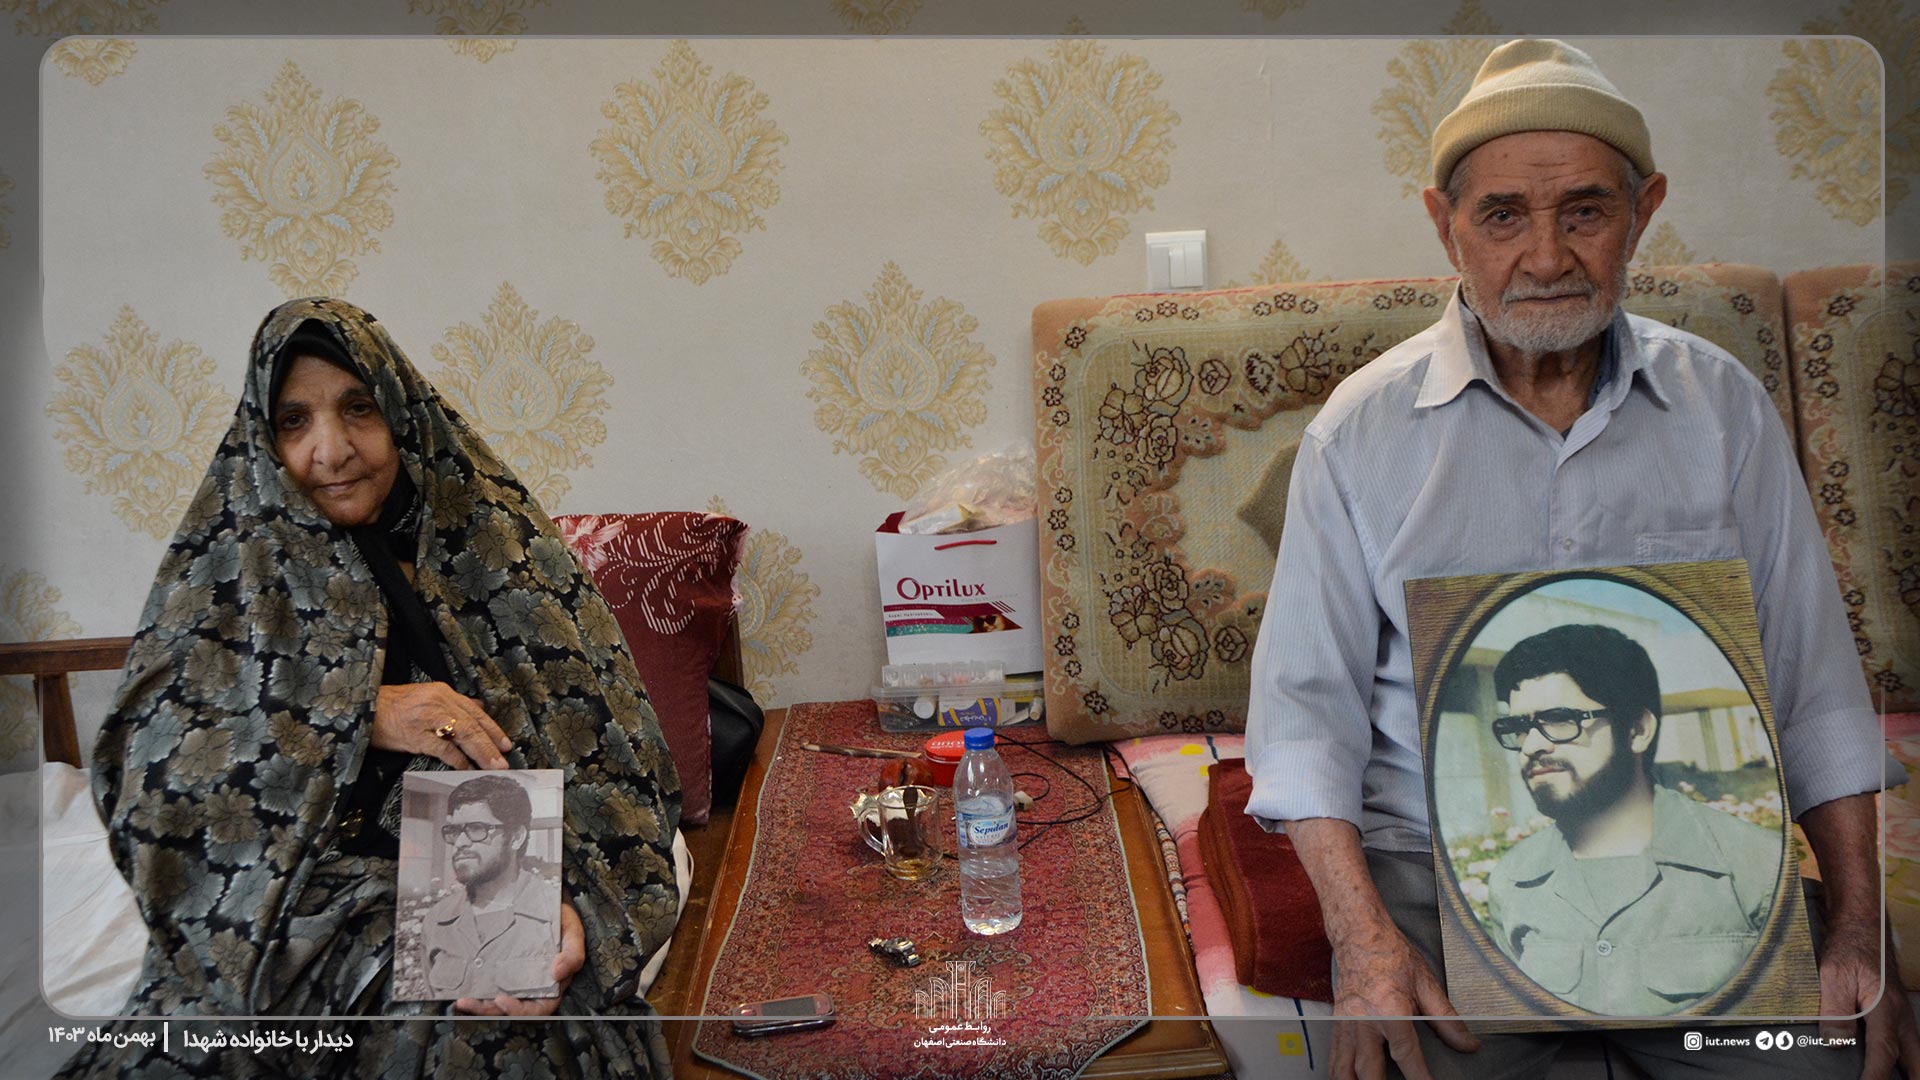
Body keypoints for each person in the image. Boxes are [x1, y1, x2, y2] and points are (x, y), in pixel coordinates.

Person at [1243, 38, 1920, 1080]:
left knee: (1825, 1065)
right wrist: (1365, 943)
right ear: (1445, 225)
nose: (1547, 257)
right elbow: (1302, 722)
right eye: (1502, 216)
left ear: (1643, 213)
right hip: (1438, 880)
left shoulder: (1722, 408)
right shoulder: (1361, 433)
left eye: (1586, 212)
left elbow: (1818, 693)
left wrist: (1860, 937)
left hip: (1701, 888)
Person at [57, 296, 683, 1079]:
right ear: (262, 440)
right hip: (285, 899)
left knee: (500, 1038)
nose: (332, 450)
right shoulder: (227, 582)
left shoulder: (496, 553)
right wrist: (357, 714)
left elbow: (609, 762)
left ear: (402, 414)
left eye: (359, 409)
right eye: (294, 421)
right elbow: (151, 780)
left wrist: (569, 902)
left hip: (482, 879)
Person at [1480, 624, 1779, 1016]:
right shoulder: (1511, 881)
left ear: (1637, 730)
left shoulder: (1757, 866)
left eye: (1559, 720)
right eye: (1519, 728)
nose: (1532, 746)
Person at [420, 775, 560, 1000]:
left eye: (477, 828)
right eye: (455, 831)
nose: (460, 843)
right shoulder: (436, 920)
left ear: (515, 838)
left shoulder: (554, 913)